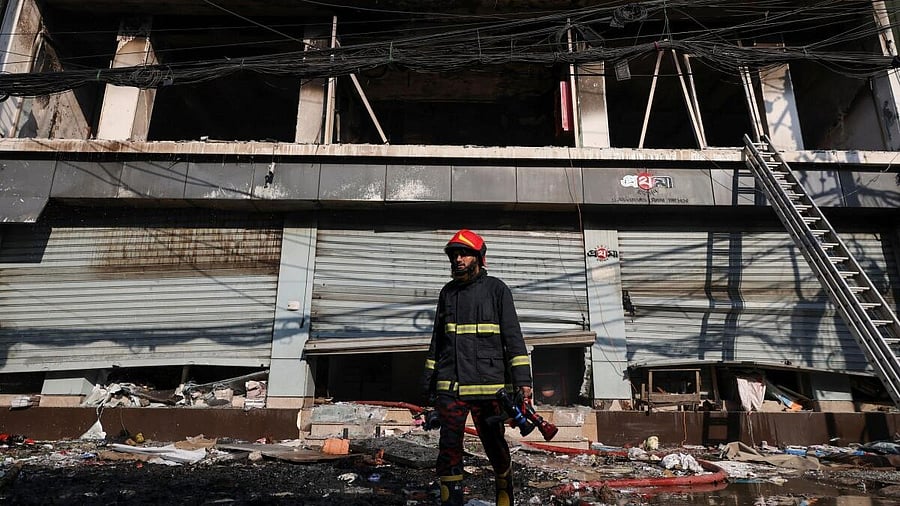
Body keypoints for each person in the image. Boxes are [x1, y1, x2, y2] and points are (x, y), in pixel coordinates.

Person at [421, 229, 533, 506]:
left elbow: (513, 338)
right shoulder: (447, 293)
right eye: (454, 255)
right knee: (448, 448)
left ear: (479, 258)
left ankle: (505, 496)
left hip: (489, 387)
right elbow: (438, 340)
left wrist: (523, 382)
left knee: (495, 446)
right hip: (451, 386)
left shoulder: (497, 290)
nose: (458, 259)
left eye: (464, 254)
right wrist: (428, 383)